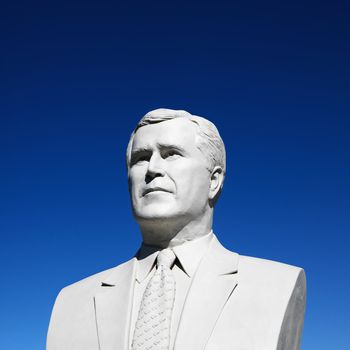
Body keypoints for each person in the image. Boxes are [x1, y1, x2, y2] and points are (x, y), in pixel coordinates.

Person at [47, 108, 306, 350]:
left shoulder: (274, 285)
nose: (153, 169)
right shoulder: (72, 302)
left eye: (171, 154)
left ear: (214, 181)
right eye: (140, 158)